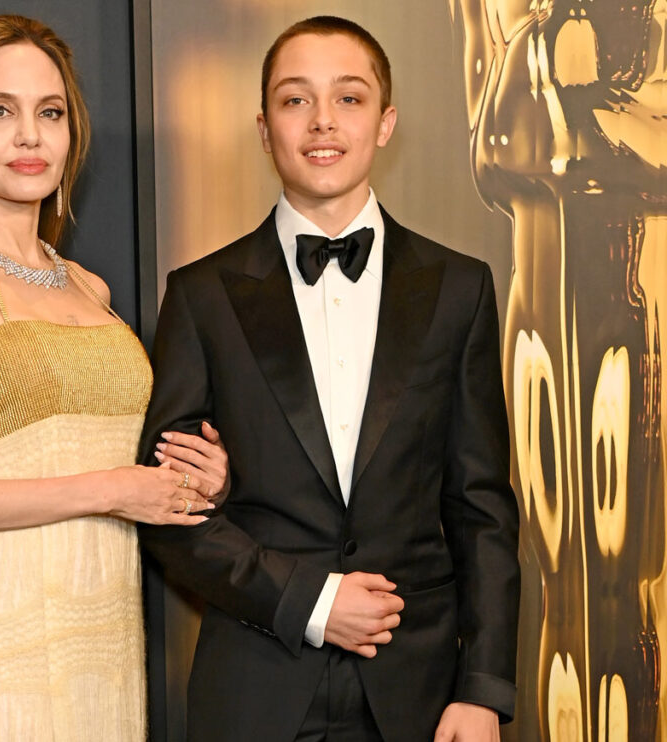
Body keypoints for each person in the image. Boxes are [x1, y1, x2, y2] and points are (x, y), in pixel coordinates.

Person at [138, 15, 520, 742]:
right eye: (294, 100)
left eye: (349, 98)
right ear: (263, 126)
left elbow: (482, 510)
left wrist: (484, 689)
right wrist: (311, 600)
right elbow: (171, 513)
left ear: (385, 123)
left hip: (423, 695)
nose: (322, 122)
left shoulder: (460, 289)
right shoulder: (201, 295)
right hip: (256, 686)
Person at [0, 15, 228, 741]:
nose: (28, 136)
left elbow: (128, 463)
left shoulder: (90, 289)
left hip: (103, 619)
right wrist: (113, 490)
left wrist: (199, 477)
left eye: (50, 112)